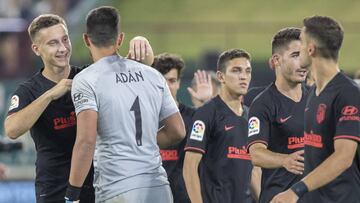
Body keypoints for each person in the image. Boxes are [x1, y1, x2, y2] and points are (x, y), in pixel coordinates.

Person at [4, 13, 153, 203]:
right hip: (54, 188)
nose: (63, 48)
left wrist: (142, 43)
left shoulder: (88, 76)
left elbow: (143, 67)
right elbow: (12, 129)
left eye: (65, 40)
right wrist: (50, 94)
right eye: (53, 43)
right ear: (36, 49)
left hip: (99, 185)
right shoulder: (28, 91)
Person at [65, 6, 185, 203]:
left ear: (86, 39)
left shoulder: (86, 79)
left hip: (117, 187)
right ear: (120, 39)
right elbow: (178, 131)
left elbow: (86, 141)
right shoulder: (151, 74)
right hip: (158, 186)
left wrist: (72, 194)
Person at [271, 16, 360, 203]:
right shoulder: (313, 92)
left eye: (301, 43)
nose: (299, 49)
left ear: (311, 49)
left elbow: (344, 157)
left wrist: (296, 191)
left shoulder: (348, 93)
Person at [183, 49, 257, 203]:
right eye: (236, 71)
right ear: (221, 76)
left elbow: (254, 171)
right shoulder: (206, 114)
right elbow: (189, 168)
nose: (243, 76)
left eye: (247, 71)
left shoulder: (252, 119)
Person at [247, 27, 308, 203]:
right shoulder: (263, 104)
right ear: (276, 60)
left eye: (304, 55)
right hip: (278, 197)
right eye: (295, 55)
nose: (303, 63)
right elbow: (256, 154)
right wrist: (285, 160)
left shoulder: (316, 97)